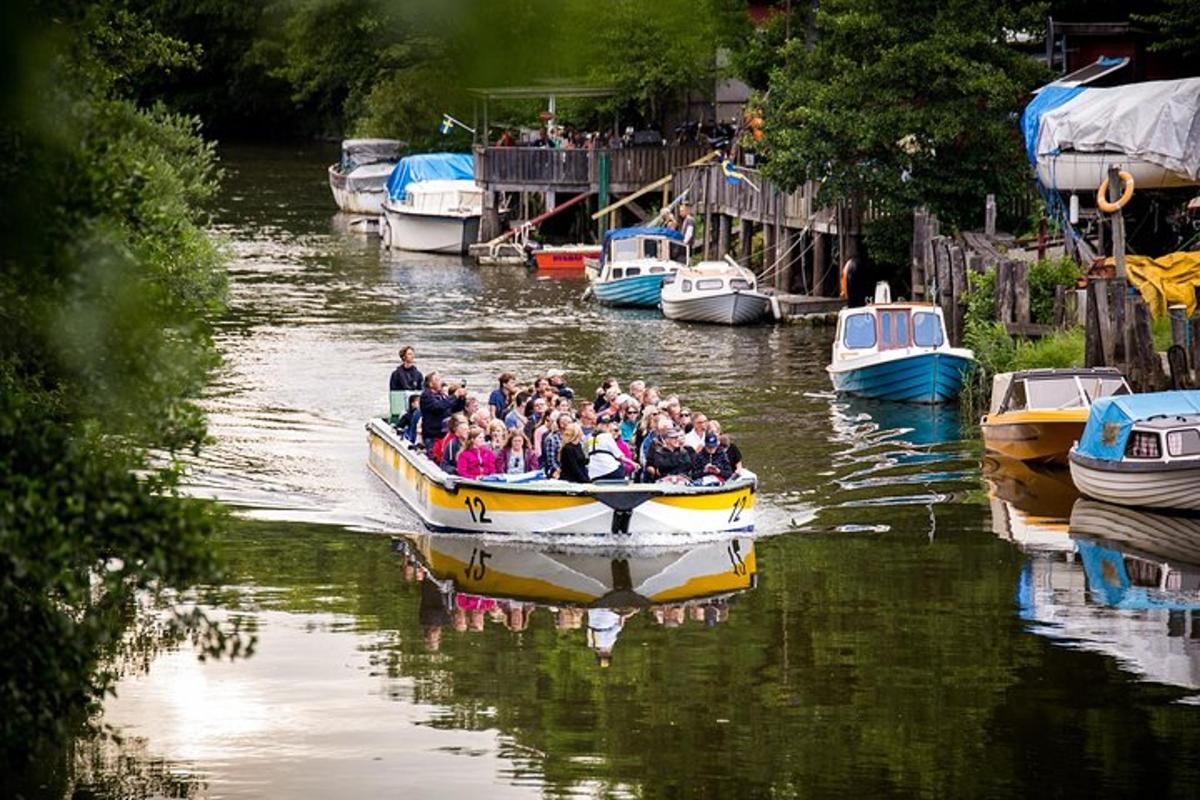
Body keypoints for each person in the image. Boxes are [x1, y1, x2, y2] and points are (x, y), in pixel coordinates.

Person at [420, 372, 467, 453]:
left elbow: (454, 408)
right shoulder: (426, 396)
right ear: (431, 384)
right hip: (433, 436)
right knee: (434, 458)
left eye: (440, 379)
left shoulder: (441, 395)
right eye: (437, 380)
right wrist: (455, 395)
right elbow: (439, 406)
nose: (440, 382)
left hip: (444, 434)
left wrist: (461, 399)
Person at [586, 414, 631, 482]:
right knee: (620, 469)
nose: (608, 426)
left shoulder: (590, 438)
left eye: (609, 424)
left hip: (594, 474)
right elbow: (620, 455)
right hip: (610, 470)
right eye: (605, 424)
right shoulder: (606, 436)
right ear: (598, 425)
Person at [542, 413, 569, 478]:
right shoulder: (552, 439)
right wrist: (560, 471)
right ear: (561, 424)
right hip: (556, 472)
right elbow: (551, 461)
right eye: (569, 422)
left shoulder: (572, 438)